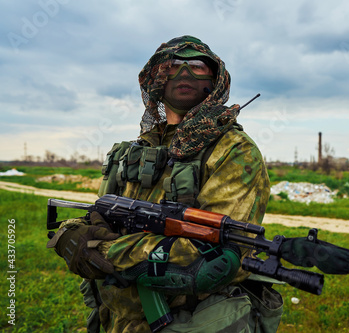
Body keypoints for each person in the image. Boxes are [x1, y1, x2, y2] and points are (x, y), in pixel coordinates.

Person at [47, 35, 283, 332]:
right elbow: (101, 217)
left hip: (187, 321)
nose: (184, 74)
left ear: (215, 78)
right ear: (156, 78)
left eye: (197, 66)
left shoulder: (233, 150)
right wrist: (71, 232)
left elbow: (214, 259)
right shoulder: (134, 150)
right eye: (172, 65)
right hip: (119, 321)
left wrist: (98, 251)